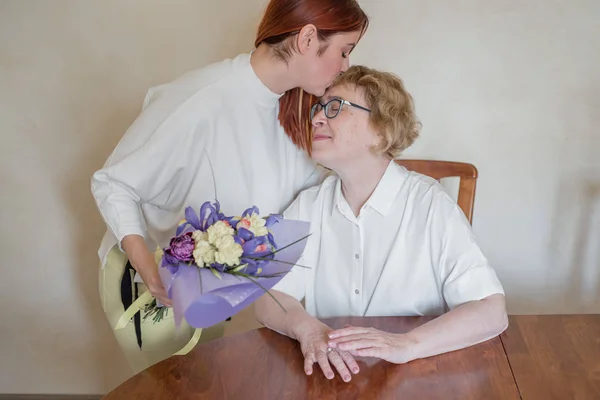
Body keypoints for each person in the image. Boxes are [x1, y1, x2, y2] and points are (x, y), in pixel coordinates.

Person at [91, 0, 369, 373]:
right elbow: (114, 183)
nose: (345, 65)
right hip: (149, 284)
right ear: (306, 38)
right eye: (344, 51)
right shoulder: (198, 100)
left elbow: (312, 193)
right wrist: (150, 274)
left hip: (212, 287)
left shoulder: (294, 109)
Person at [254, 65, 508, 383]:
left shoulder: (430, 204)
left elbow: (490, 310)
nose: (316, 117)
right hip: (332, 375)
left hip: (417, 378)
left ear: (381, 130)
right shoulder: (309, 205)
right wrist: (308, 328)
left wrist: (404, 344)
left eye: (335, 107)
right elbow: (267, 295)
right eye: (318, 108)